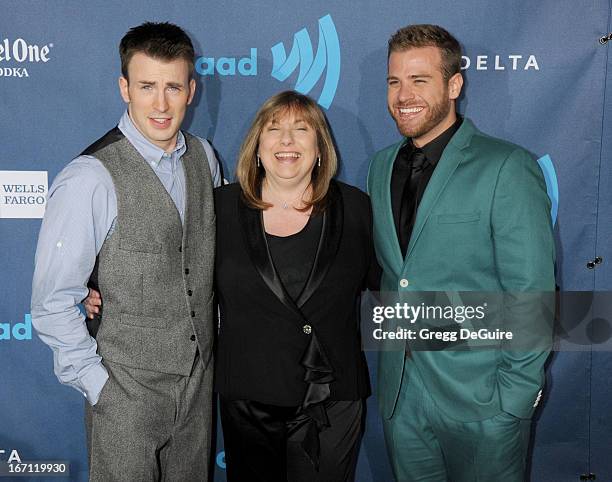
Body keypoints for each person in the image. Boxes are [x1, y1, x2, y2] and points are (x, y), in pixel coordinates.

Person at [31, 22, 221, 481]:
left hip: (198, 391)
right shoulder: (89, 178)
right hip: (125, 395)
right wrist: (101, 389)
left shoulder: (206, 158)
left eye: (173, 86)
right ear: (124, 88)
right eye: (147, 86)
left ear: (191, 90)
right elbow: (50, 302)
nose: (160, 103)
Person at [367, 25, 555, 481]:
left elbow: (531, 292)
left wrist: (513, 400)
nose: (403, 94)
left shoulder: (506, 166)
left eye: (420, 80)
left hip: (484, 400)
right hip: (401, 397)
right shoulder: (380, 166)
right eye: (394, 81)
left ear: (454, 85)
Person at [215, 90, 377, 481]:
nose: (287, 141)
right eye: (274, 130)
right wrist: (99, 290)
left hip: (332, 399)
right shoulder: (219, 207)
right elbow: (177, 276)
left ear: (320, 148)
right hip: (249, 398)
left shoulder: (356, 207)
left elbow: (393, 278)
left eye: (301, 130)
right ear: (257, 147)